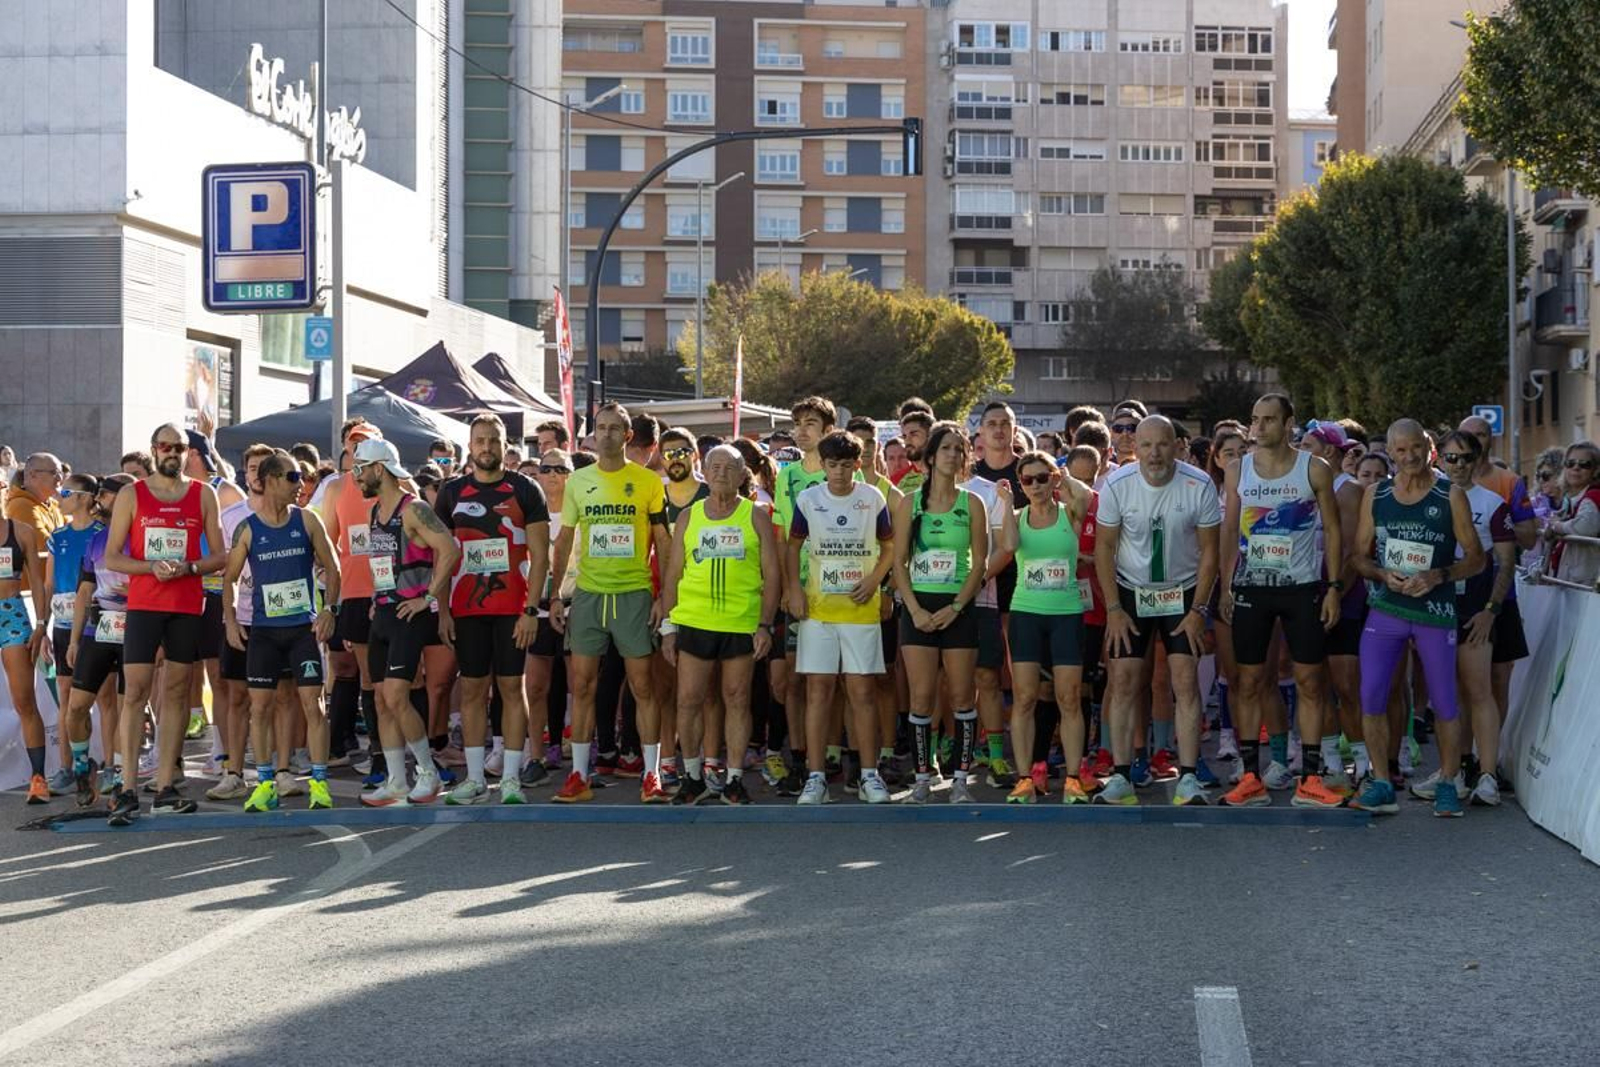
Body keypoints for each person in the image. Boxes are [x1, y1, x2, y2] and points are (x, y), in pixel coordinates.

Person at [1349, 420, 1485, 817]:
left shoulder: (1451, 495)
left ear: (1429, 447)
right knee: (1372, 694)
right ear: (1390, 453)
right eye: (1400, 451)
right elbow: (1358, 555)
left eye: (1415, 449)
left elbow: (1477, 559)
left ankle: (1446, 780)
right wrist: (1379, 572)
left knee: (1443, 701)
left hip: (1434, 611)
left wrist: (1438, 575)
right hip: (1387, 609)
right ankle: (1380, 780)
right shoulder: (1376, 494)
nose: (1409, 458)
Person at [1218, 396, 1346, 809]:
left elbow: (1332, 528)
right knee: (1249, 681)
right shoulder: (1239, 470)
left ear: (1289, 423)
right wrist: (1224, 587)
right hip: (1252, 587)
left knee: (1311, 682)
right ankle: (1251, 776)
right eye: (1255, 420)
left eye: (1269, 420)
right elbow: (1228, 531)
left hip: (1303, 587)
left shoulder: (1314, 468)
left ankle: (1309, 778)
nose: (1259, 427)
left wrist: (1333, 586)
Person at [102, 423, 227, 824]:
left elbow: (220, 555)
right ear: (154, 450)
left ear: (189, 452)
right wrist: (150, 568)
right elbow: (112, 557)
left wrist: (189, 566)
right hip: (144, 604)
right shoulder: (131, 494)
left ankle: (165, 785)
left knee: (176, 691)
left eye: (180, 448)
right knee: (135, 691)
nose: (173, 453)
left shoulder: (203, 494)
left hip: (186, 604)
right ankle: (126, 787)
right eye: (166, 447)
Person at [1093, 416, 1220, 806]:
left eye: (1162, 445)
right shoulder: (1117, 483)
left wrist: (1199, 608)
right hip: (1132, 592)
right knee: (1125, 681)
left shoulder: (1199, 484)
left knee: (1184, 681)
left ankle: (1186, 777)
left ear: (1177, 446)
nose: (1154, 453)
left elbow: (1211, 552)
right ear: (1136, 448)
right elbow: (1103, 548)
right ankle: (1120, 776)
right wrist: (1113, 607)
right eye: (1145, 445)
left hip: (1182, 592)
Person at [547, 402, 671, 803]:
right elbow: (564, 539)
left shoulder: (649, 482)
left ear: (628, 435)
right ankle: (579, 775)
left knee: (642, 686)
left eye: (615, 429)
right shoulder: (579, 481)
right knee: (582, 685)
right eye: (600, 428)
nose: (607, 435)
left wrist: (664, 597)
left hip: (634, 594)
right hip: (589, 594)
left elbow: (663, 542)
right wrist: (554, 596)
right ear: (593, 433)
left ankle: (651, 775)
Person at [434, 414, 551, 806]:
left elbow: (541, 556)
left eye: (494, 441)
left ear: (505, 445)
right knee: (471, 690)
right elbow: (442, 557)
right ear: (470, 446)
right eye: (480, 440)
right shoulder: (451, 493)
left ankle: (512, 778)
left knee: (511, 689)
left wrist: (531, 610)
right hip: (466, 609)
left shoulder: (525, 488)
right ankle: (475, 778)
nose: (486, 447)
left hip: (513, 610)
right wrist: (444, 610)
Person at [222, 451, 342, 812]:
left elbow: (334, 570)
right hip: (263, 632)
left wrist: (329, 610)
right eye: (293, 478)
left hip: (302, 630)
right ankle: (264, 783)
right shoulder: (248, 528)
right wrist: (230, 621)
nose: (301, 485)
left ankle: (319, 783)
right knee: (260, 708)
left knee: (313, 705)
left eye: (302, 478)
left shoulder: (307, 521)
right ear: (271, 480)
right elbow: (227, 580)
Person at [661, 445, 780, 805]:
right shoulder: (689, 515)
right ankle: (694, 777)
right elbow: (673, 573)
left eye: (729, 468)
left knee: (737, 698)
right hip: (695, 620)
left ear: (744, 474)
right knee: (689, 699)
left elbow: (772, 574)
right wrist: (668, 626)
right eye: (714, 467)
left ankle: (734, 779)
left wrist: (765, 625)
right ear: (705, 471)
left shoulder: (755, 515)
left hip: (740, 621)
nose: (720, 473)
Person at [351, 438, 462, 807]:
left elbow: (449, 548)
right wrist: (374, 600)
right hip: (383, 612)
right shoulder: (375, 512)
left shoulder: (412, 509)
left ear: (378, 469)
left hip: (408, 614)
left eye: (360, 468)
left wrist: (428, 598)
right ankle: (397, 779)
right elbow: (383, 562)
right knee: (382, 700)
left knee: (398, 696)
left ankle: (427, 773)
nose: (356, 476)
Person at [788, 431, 896, 804]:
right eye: (832, 465)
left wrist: (875, 580)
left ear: (858, 463)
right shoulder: (808, 497)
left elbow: (890, 546)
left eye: (846, 465)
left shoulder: (872, 497)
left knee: (862, 692)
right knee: (818, 691)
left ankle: (869, 776)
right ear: (822, 463)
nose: (838, 472)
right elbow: (793, 545)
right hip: (818, 611)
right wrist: (794, 589)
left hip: (860, 610)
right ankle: (815, 777)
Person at [894, 421, 988, 804]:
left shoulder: (973, 503)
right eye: (946, 448)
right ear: (930, 457)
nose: (953, 455)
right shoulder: (909, 502)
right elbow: (898, 562)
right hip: (919, 608)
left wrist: (956, 606)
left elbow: (980, 562)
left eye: (958, 449)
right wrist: (914, 610)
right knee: (921, 698)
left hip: (958, 608)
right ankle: (921, 777)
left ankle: (961, 780)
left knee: (963, 696)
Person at [998, 450, 1093, 803]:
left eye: (1043, 478)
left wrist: (1064, 477)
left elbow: (1084, 496)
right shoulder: (1018, 516)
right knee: (1023, 698)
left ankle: (1071, 779)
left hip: (1066, 614)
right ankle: (1024, 779)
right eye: (1028, 479)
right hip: (1026, 614)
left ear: (1052, 479)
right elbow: (1008, 546)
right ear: (1020, 484)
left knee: (1069, 698)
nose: (1035, 485)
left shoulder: (1069, 513)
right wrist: (1007, 503)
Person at [1435, 431, 1517, 807]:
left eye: (1465, 458)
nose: (1457, 465)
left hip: (1475, 608)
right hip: (1434, 606)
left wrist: (1490, 612)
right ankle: (1453, 770)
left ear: (1476, 460)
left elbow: (1505, 563)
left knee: (1479, 689)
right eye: (1450, 457)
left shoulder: (1493, 503)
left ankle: (1487, 774)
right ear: (1439, 459)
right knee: (1447, 695)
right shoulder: (1426, 495)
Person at [1300, 419, 1368, 791]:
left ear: (1329, 452)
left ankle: (1362, 761)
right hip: (1305, 594)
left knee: (1345, 685)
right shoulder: (1302, 487)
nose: (1299, 452)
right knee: (1314, 683)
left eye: (1307, 446)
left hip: (1342, 598)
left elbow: (1352, 553)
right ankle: (1328, 764)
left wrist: (1335, 593)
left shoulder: (1350, 490)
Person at [62, 474, 136, 806]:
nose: (100, 500)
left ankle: (120, 776)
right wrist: (75, 640)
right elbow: (84, 591)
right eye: (101, 495)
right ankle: (82, 765)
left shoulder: (143, 537)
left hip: (137, 628)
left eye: (107, 495)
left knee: (126, 708)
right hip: (99, 629)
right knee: (76, 708)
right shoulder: (96, 540)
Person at [207, 443, 274, 802]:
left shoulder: (297, 514)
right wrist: (229, 617)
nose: (257, 474)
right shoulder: (231, 515)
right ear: (245, 473)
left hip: (281, 619)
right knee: (236, 696)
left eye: (265, 467)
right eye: (251, 468)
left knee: (279, 698)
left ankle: (280, 770)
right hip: (241, 616)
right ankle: (233, 772)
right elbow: (221, 567)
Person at [40, 473, 107, 795]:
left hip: (97, 626)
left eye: (65, 492)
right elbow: (49, 584)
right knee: (67, 698)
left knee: (104, 698)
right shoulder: (58, 535)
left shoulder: (102, 533)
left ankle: (110, 765)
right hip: (64, 626)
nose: (59, 497)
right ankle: (68, 768)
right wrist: (43, 626)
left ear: (84, 498)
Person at [0, 472, 52, 803]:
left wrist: (41, 624)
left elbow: (36, 581)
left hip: (12, 614)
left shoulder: (21, 532)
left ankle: (38, 779)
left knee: (24, 700)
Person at [1544, 441, 1600, 588]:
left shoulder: (1594, 496)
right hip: (1574, 578)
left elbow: (1584, 527)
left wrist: (1557, 526)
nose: (1576, 468)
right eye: (1570, 463)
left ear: (1596, 470)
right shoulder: (1573, 498)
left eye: (1584, 464)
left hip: (1586, 583)